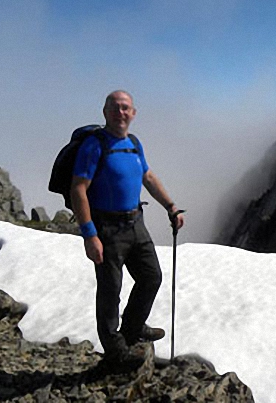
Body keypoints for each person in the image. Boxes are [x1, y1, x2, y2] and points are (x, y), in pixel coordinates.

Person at [70, 90, 184, 364]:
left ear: (133, 113)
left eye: (126, 108)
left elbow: (147, 175)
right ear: (105, 112)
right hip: (107, 228)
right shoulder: (95, 145)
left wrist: (170, 206)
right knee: (110, 290)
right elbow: (78, 188)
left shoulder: (133, 143)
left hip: (136, 223)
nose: (121, 113)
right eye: (115, 108)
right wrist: (89, 235)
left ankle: (133, 328)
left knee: (151, 276)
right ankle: (115, 349)